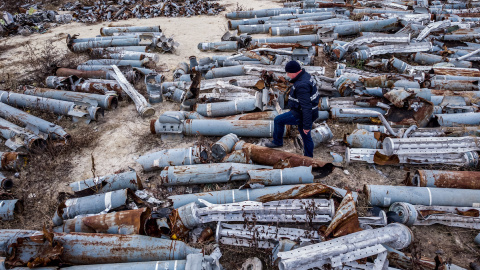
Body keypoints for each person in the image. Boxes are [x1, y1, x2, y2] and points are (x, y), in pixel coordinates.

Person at [265, 60, 319, 158]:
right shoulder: (305, 76)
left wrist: (306, 125)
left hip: (302, 114)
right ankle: (308, 158)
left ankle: (277, 142)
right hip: (309, 112)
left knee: (278, 120)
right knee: (306, 136)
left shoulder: (302, 85)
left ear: (294, 72)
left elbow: (306, 107)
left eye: (288, 73)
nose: (287, 75)